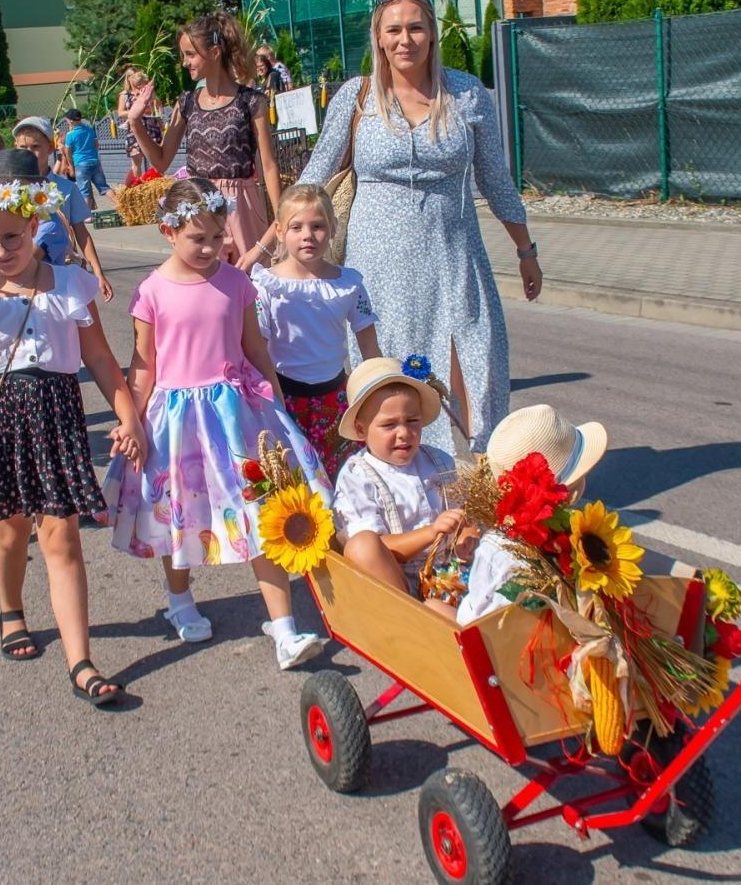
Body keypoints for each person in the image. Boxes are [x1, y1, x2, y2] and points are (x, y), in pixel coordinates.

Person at [0, 175, 142, 697]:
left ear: (35, 225)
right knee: (10, 529)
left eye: (12, 238)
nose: (0, 251)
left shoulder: (70, 284)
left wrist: (127, 416)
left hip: (56, 415)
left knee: (62, 534)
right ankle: (10, 608)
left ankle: (80, 662)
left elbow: (100, 358)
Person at [299, 0, 542, 452]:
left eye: (415, 27)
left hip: (455, 258)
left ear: (432, 34)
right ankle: (403, 486)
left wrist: (525, 250)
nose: (404, 39)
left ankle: (481, 479)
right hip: (380, 269)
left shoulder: (467, 94)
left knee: (475, 365)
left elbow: (496, 180)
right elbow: (314, 178)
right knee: (391, 377)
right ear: (378, 37)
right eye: (393, 29)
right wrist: (267, 249)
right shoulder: (357, 98)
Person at [103, 178, 327, 671]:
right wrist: (132, 421)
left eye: (217, 236)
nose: (210, 248)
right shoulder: (152, 291)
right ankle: (179, 599)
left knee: (262, 513)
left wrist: (278, 402)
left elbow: (254, 346)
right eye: (196, 238)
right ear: (167, 231)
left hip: (236, 416)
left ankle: (285, 629)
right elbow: (143, 364)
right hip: (177, 421)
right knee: (177, 514)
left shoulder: (236, 282)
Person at [240, 184, 380, 474]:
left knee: (342, 475)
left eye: (317, 226)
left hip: (337, 399)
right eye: (296, 227)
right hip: (284, 397)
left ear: (333, 228)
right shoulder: (266, 286)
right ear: (279, 231)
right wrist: (270, 403)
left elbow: (370, 348)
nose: (307, 235)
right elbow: (257, 351)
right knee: (296, 479)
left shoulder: (349, 284)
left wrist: (377, 391)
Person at [126, 14, 283, 265]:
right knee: (204, 289)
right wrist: (135, 121)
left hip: (241, 207)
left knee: (249, 288)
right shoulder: (187, 102)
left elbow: (269, 164)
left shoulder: (251, 101)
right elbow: (161, 162)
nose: (185, 63)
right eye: (183, 55)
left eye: (190, 54)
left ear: (215, 52)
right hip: (198, 204)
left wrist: (281, 220)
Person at [453, 404, 609, 623]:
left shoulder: (496, 547)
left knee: (435, 607)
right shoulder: (578, 531)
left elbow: (472, 619)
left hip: (506, 642)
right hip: (537, 638)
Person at [332, 357, 466, 599]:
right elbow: (379, 549)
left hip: (450, 574)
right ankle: (415, 623)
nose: (404, 433)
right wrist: (431, 531)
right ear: (361, 430)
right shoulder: (358, 477)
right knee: (362, 545)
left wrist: (467, 537)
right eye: (389, 425)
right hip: (398, 583)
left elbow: (465, 517)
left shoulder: (438, 461)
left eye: (412, 421)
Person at [9, 118, 114, 301]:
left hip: (58, 275)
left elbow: (81, 232)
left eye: (35, 147)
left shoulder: (65, 188)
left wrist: (98, 271)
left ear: (50, 148)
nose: (29, 153)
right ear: (14, 147)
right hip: (19, 274)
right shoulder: (8, 190)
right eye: (23, 148)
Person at [116, 68, 163, 181]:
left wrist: (152, 108)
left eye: (135, 75)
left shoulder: (147, 93)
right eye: (131, 76)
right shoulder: (124, 95)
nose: (134, 78)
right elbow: (120, 112)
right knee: (136, 160)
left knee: (155, 159)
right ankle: (137, 184)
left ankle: (156, 183)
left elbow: (157, 107)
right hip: (134, 130)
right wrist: (135, 113)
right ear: (128, 79)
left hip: (151, 127)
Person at [61, 108, 109, 209]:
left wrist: (71, 166)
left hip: (81, 163)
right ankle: (121, 206)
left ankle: (87, 215)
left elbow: (67, 153)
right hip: (94, 161)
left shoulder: (70, 135)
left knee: (84, 192)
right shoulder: (90, 130)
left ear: (71, 121)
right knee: (104, 187)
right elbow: (96, 145)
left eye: (67, 120)